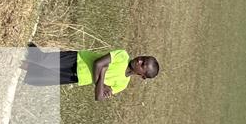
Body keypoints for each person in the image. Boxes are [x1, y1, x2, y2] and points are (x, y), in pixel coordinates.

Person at [21, 46, 159, 100]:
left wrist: (102, 73)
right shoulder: (123, 56)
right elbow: (98, 63)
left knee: (41, 76)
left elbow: (98, 96)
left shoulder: (122, 84)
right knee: (43, 59)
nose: (139, 60)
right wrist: (101, 84)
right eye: (143, 58)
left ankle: (17, 63)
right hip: (76, 60)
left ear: (142, 76)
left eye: (143, 65)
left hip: (76, 77)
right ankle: (23, 43)